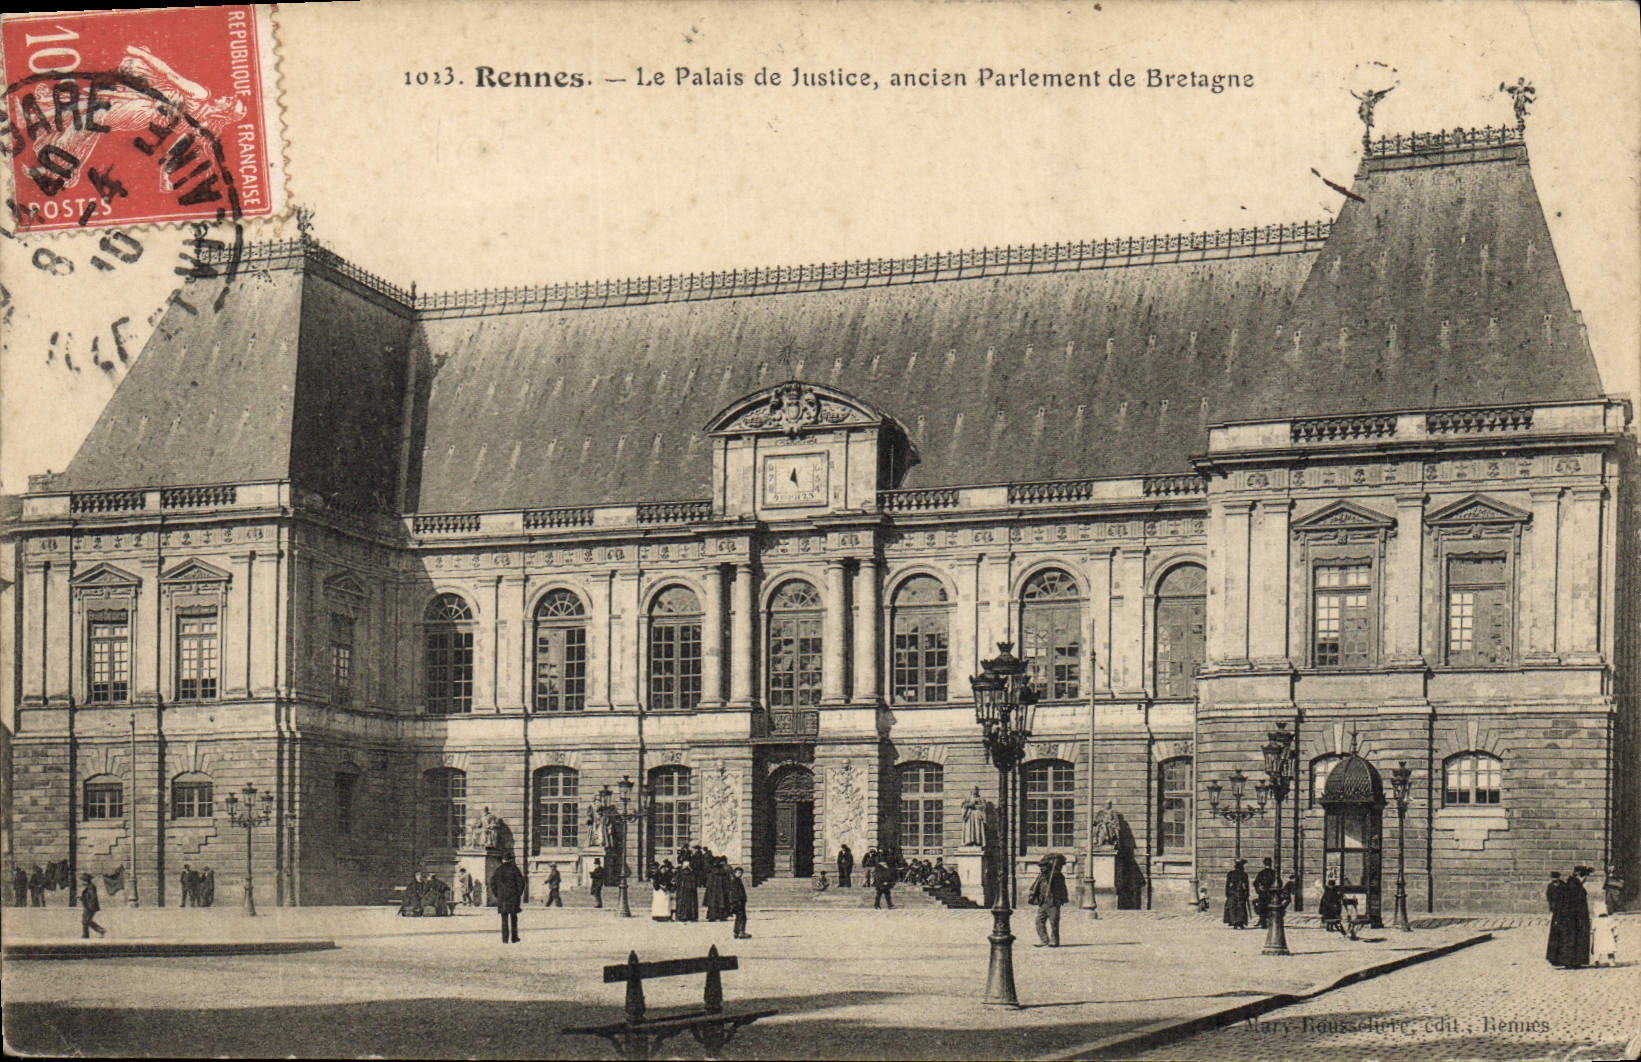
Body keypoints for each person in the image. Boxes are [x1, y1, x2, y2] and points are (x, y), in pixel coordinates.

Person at [1029, 854, 1069, 947]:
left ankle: (1054, 941)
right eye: (1040, 867)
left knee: (1054, 923)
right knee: (1039, 921)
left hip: (1053, 902)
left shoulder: (1056, 875)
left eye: (1043, 867)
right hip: (1043, 903)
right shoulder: (1041, 877)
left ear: (1048, 866)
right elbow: (1035, 887)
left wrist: (1061, 899)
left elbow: (1062, 888)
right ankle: (1044, 940)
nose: (1042, 869)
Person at [490, 852, 525, 943]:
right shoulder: (515, 869)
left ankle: (504, 939)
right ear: (511, 860)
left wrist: (497, 894)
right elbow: (521, 883)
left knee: (504, 918)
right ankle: (514, 937)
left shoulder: (498, 870)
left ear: (503, 860)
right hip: (513, 897)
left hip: (502, 898)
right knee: (514, 918)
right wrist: (518, 894)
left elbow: (492, 883)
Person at [1224, 860, 1251, 928]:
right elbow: (1246, 885)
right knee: (1239, 907)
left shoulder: (1232, 873)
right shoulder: (1243, 874)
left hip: (1234, 893)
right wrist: (1247, 893)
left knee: (1235, 907)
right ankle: (1239, 923)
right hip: (1238, 893)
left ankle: (1236, 922)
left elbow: (1227, 885)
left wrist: (1227, 893)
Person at [79, 873, 107, 939]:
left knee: (86, 921)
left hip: (90, 907)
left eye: (82, 880)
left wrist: (89, 906)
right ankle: (86, 935)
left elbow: (92, 897)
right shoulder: (88, 887)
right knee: (85, 921)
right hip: (87, 906)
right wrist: (82, 898)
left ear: (86, 880)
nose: (81, 882)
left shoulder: (91, 887)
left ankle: (99, 931)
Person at [1253, 858, 1277, 929]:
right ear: (1271, 864)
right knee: (1270, 908)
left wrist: (1259, 890)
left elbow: (1255, 883)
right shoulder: (1274, 873)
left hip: (1263, 893)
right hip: (1271, 893)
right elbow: (1279, 883)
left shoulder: (1261, 873)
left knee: (1262, 908)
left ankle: (1263, 922)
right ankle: (1269, 922)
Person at [675, 856, 699, 922]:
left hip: (688, 891)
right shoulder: (680, 872)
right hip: (683, 891)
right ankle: (683, 916)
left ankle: (688, 916)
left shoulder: (691, 872)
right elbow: (677, 881)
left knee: (689, 903)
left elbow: (694, 880)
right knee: (684, 903)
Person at [730, 866, 751, 939]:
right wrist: (738, 901)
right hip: (738, 902)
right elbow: (735, 893)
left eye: (741, 873)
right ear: (735, 873)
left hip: (739, 902)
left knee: (739, 917)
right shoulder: (735, 881)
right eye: (738, 872)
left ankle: (737, 932)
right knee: (742, 917)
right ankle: (741, 932)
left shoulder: (737, 880)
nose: (739, 874)